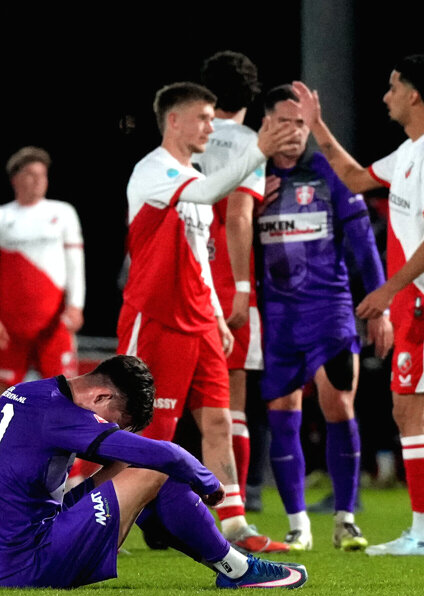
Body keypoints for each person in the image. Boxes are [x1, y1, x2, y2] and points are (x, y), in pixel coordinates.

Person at [292, 53, 424, 556]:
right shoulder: (411, 152)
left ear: (414, 94)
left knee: (413, 410)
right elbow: (352, 176)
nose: (385, 95)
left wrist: (388, 291)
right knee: (405, 409)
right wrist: (318, 127)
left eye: (393, 87)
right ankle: (423, 529)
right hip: (417, 297)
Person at [117, 82, 300, 553]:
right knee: (143, 432)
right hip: (157, 318)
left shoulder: (191, 172)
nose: (210, 126)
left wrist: (217, 315)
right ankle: (83, 511)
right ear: (173, 121)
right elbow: (213, 189)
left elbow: (199, 256)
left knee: (218, 422)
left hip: (199, 320)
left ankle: (235, 526)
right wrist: (258, 148)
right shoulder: (153, 171)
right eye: (202, 117)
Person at [0, 355, 307, 589]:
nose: (109, 429)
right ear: (101, 396)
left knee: (128, 466)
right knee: (154, 470)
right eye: (114, 422)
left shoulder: (27, 393)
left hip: (6, 557)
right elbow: (163, 453)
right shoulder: (62, 415)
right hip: (30, 561)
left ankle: (227, 563)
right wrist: (208, 482)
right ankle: (238, 569)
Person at [253, 85, 392, 551]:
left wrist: (378, 305)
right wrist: (250, 204)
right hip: (276, 317)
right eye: (283, 123)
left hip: (329, 310)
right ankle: (297, 525)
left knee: (339, 406)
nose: (293, 133)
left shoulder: (329, 174)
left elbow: (363, 243)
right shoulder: (251, 180)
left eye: (301, 123)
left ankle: (346, 519)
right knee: (284, 412)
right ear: (265, 125)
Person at [194, 51, 266, 523]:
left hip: (184, 274)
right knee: (229, 398)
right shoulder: (249, 143)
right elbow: (239, 216)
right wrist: (242, 286)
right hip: (226, 278)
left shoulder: (187, 138)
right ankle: (235, 511)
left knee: (167, 401)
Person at [0, 147, 84, 397]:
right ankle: (6, 437)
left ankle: (60, 438)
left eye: (42, 174)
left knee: (65, 393)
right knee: (4, 395)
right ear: (15, 179)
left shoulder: (63, 213)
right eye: (31, 174)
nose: (38, 180)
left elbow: (76, 265)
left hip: (54, 325)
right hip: (11, 327)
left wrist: (76, 305)